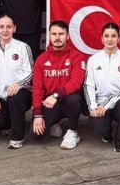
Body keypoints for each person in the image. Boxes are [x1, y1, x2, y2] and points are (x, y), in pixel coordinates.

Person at [31, 21, 87, 149]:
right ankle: (54, 123)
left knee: (74, 98)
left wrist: (56, 95)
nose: (57, 37)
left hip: (67, 100)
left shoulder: (77, 56)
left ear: (67, 36)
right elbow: (37, 88)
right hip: (50, 103)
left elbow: (76, 82)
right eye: (54, 34)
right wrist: (37, 114)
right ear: (49, 36)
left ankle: (73, 132)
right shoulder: (41, 59)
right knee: (35, 135)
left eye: (61, 34)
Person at [84, 23, 120, 152]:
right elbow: (88, 85)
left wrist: (107, 104)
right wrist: (93, 108)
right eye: (106, 36)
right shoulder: (93, 60)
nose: (110, 39)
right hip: (100, 104)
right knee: (99, 126)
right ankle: (107, 134)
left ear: (119, 38)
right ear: (101, 38)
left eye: (113, 36)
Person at [0, 15, 34, 149]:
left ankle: (18, 137)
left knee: (15, 98)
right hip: (0, 95)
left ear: (14, 28)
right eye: (1, 27)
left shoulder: (23, 47)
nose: (5, 30)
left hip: (21, 93)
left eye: (9, 27)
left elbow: (30, 71)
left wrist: (18, 84)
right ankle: (10, 123)